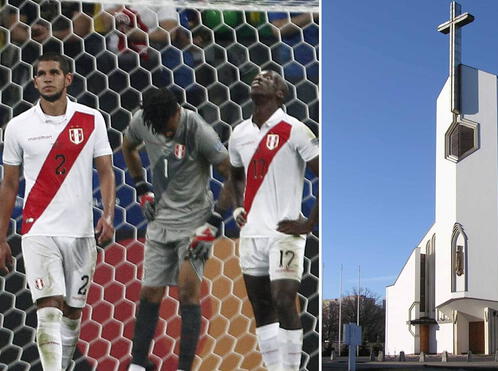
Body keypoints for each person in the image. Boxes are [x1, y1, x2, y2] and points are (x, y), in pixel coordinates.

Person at [0, 52, 115, 370]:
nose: (46, 78)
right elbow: (9, 184)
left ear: (68, 79)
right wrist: (0, 238)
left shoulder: (91, 119)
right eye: (40, 74)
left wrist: (108, 214)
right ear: (34, 80)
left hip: (80, 232)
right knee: (48, 307)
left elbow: (105, 170)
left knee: (72, 312)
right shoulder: (18, 126)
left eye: (53, 72)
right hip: (38, 230)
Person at [121, 88, 237, 371]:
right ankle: (138, 364)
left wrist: (214, 221)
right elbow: (128, 147)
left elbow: (231, 173)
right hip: (160, 221)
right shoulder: (140, 122)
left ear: (177, 111)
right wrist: (141, 186)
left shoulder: (198, 129)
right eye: (160, 129)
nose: (167, 133)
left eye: (170, 126)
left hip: (195, 223)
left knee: (187, 291)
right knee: (150, 293)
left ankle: (185, 368)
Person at [228, 70, 319, 371]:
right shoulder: (239, 133)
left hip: (285, 233)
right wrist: (238, 207)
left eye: (268, 77)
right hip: (252, 233)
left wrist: (308, 224)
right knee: (261, 306)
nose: (258, 78)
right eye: (256, 76)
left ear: (280, 94)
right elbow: (236, 175)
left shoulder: (294, 129)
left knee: (283, 298)